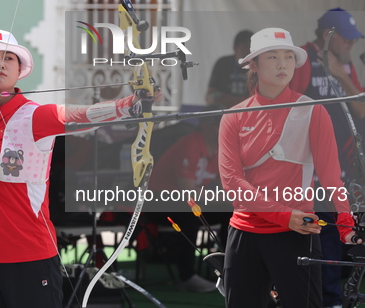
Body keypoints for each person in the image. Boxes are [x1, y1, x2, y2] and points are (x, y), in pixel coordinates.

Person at [0, 29, 149, 308]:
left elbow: (83, 115)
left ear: (19, 69)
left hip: (29, 255)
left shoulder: (35, 115)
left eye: (9, 58)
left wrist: (132, 105)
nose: (0, 64)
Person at [219, 27, 360, 308]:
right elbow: (233, 183)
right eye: (271, 57)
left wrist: (346, 225)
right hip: (246, 232)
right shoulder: (232, 117)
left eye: (288, 57)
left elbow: (332, 178)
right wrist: (284, 216)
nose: (282, 64)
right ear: (254, 65)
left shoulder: (314, 110)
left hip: (298, 232)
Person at [289, 8, 364, 308]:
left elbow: (360, 110)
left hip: (338, 169)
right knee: (314, 235)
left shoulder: (344, 66)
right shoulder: (303, 60)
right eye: (346, 40)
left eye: (353, 41)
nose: (350, 46)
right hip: (306, 169)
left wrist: (340, 74)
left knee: (335, 234)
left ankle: (331, 298)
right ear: (326, 36)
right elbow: (285, 109)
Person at [147, 107, 230, 293]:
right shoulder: (190, 145)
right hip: (158, 203)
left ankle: (229, 270)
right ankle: (187, 277)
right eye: (220, 125)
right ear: (206, 126)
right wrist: (227, 197)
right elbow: (188, 192)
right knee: (191, 215)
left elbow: (222, 184)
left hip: (188, 202)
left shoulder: (219, 148)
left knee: (231, 214)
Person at [206, 30, 253, 108]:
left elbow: (260, 99)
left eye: (253, 48)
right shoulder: (223, 63)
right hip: (224, 113)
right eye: (246, 47)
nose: (250, 51)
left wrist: (228, 100)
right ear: (235, 48)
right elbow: (209, 97)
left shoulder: (259, 66)